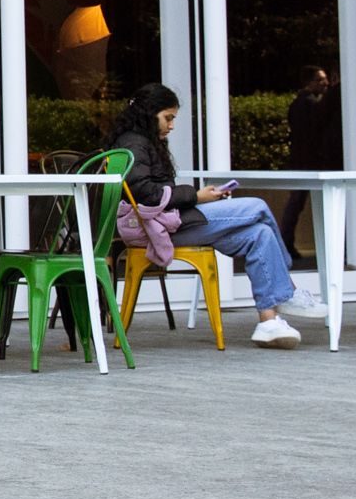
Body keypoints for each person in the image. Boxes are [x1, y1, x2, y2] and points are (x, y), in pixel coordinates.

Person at [107, 83, 299, 348]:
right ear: (148, 113)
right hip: (157, 229)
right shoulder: (133, 142)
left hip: (166, 224)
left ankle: (268, 322)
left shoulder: (141, 141)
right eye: (168, 118)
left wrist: (198, 197)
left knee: (260, 234)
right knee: (257, 207)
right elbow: (145, 194)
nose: (171, 126)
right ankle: (289, 290)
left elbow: (156, 192)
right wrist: (197, 196)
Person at [280, 65, 343, 267]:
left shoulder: (305, 103)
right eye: (320, 79)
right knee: (297, 202)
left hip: (304, 161)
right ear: (309, 82)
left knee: (297, 202)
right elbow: (308, 136)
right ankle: (285, 243)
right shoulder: (307, 105)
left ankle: (286, 243)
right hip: (307, 162)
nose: (324, 83)